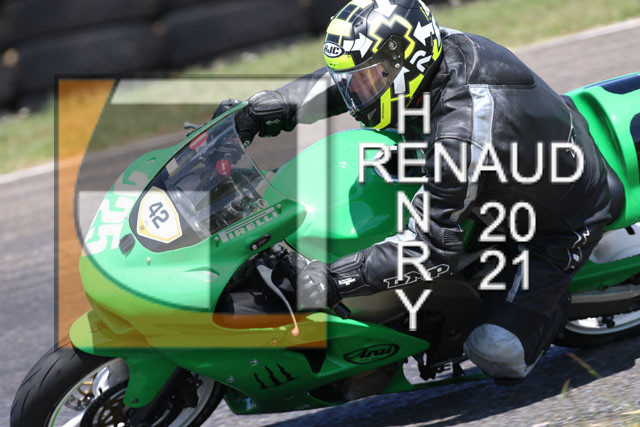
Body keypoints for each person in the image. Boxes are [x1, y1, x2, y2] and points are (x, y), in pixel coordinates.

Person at [217, 0, 612, 383]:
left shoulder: (461, 133)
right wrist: (271, 106)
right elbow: (348, 78)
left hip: (553, 224)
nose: (356, 93)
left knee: (497, 349)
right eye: (358, 80)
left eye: (367, 81)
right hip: (495, 171)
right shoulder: (427, 52)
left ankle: (548, 304)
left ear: (407, 65)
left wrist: (335, 280)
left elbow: (432, 247)